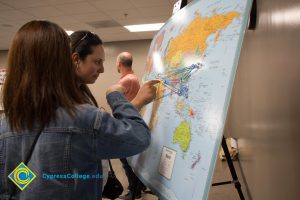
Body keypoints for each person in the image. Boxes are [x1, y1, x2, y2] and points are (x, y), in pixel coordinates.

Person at [0, 20, 159, 200]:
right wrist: (116, 97)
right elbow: (138, 138)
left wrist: (40, 184)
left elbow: (13, 181)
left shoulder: (5, 125)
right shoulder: (81, 118)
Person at [69, 30, 109, 189]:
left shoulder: (81, 92)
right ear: (76, 59)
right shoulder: (57, 101)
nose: (102, 69)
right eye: (97, 61)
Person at [116, 52, 146, 200]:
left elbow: (117, 103)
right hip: (133, 122)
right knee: (132, 159)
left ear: (119, 64)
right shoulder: (134, 78)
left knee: (126, 160)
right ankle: (139, 186)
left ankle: (134, 191)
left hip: (125, 124)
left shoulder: (125, 81)